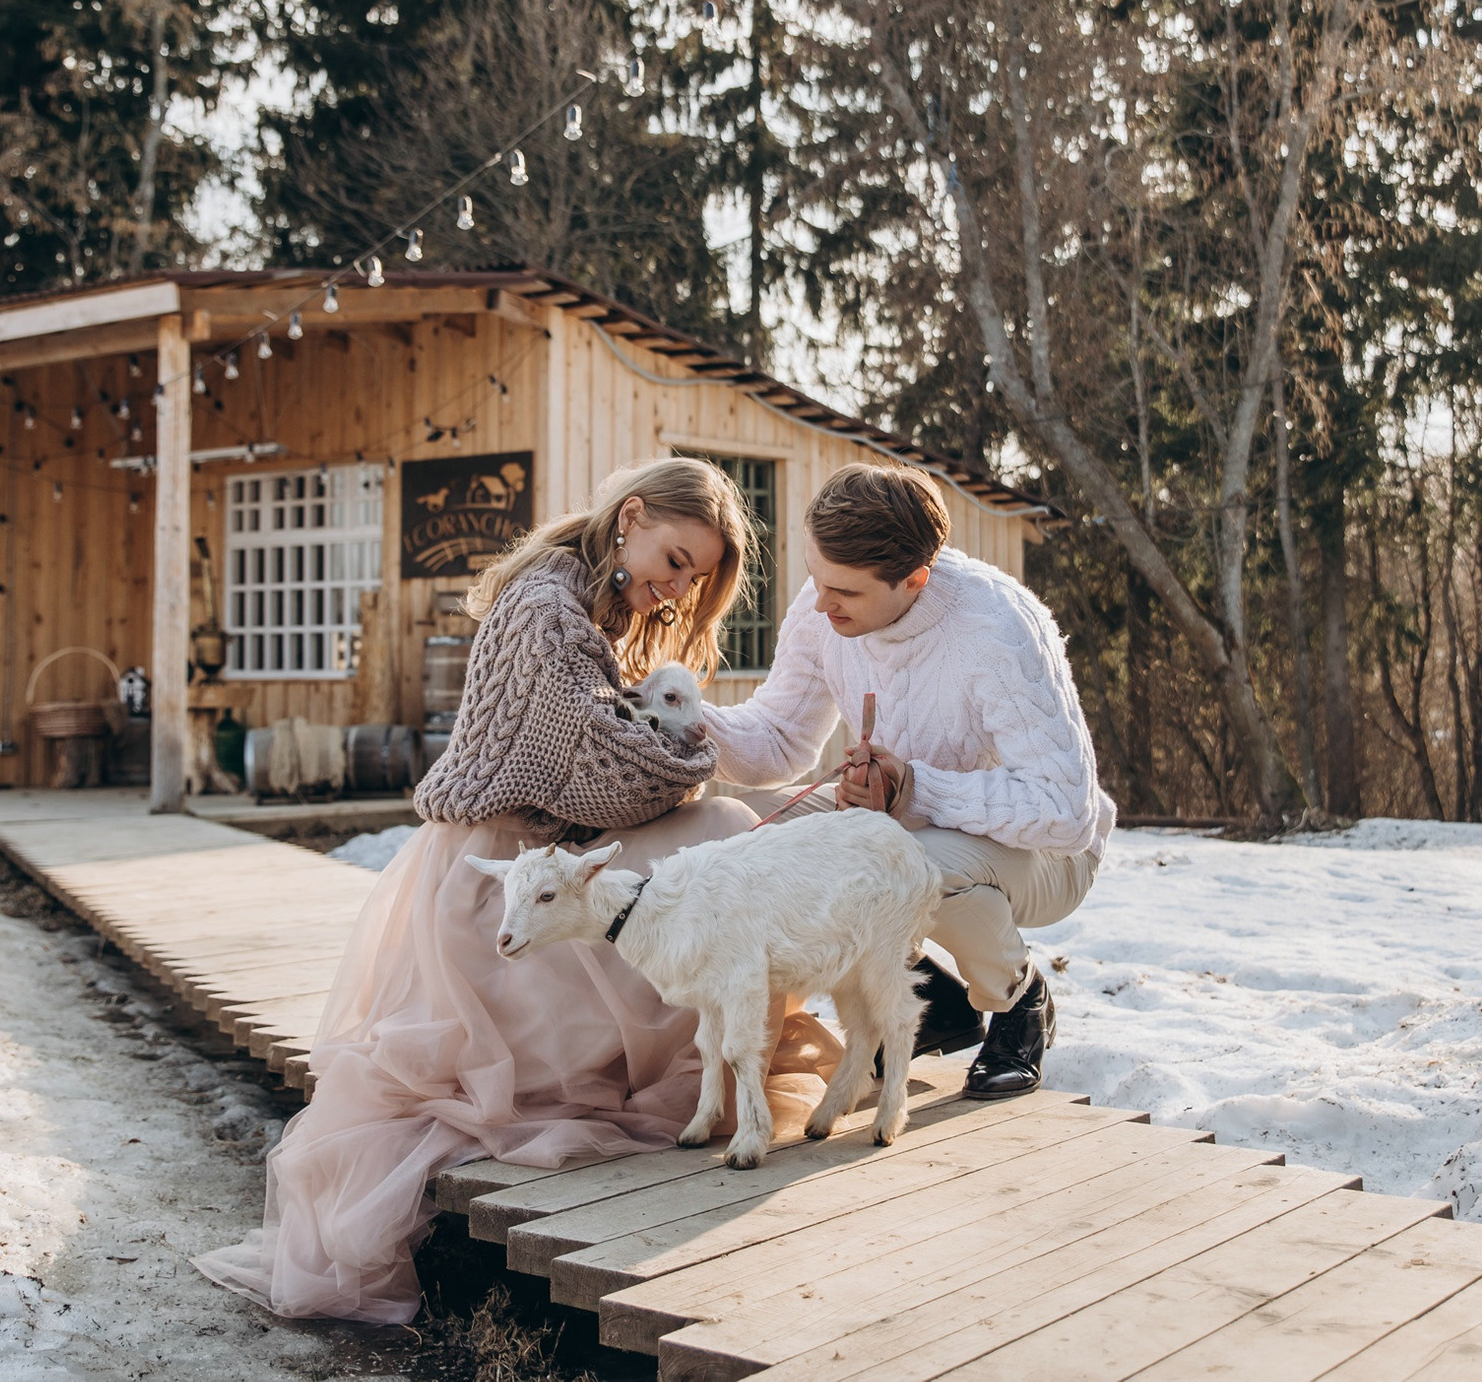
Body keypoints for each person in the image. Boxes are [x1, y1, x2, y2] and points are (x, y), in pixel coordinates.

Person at [195, 457, 814, 1324]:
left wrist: (681, 750)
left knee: (725, 837)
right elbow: (607, 777)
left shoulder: (583, 593)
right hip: (496, 875)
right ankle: (675, 1039)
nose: (678, 586)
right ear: (630, 517)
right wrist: (695, 751)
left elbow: (617, 767)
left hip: (536, 847)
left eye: (695, 575)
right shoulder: (547, 608)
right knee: (721, 835)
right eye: (674, 559)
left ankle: (711, 1031)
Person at [700, 463, 1115, 1097]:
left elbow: (1065, 810)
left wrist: (914, 790)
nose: (818, 602)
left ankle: (1017, 999)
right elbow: (779, 741)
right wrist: (679, 719)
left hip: (1050, 855)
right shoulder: (827, 606)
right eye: (814, 577)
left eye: (843, 591)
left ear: (914, 580)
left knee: (899, 861)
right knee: (754, 841)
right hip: (913, 834)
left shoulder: (996, 631)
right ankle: (933, 999)